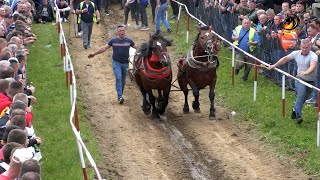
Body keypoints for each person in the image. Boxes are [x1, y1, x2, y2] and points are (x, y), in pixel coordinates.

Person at [269, 39, 318, 124]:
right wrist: (274, 65)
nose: (305, 49)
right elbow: (285, 58)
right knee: (301, 94)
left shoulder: (313, 56)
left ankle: (295, 108)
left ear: (310, 47)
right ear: (300, 46)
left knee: (303, 98)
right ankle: (298, 115)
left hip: (311, 81)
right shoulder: (296, 53)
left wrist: (306, 72)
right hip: (300, 79)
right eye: (303, 47)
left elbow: (313, 67)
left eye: (306, 48)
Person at [88, 25, 138, 104]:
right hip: (116, 63)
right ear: (117, 32)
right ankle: (120, 97)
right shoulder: (113, 40)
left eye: (123, 30)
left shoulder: (129, 41)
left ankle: (120, 94)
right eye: (120, 31)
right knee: (118, 77)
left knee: (123, 81)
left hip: (125, 64)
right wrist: (94, 54)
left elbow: (137, 47)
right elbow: (104, 48)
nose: (122, 32)